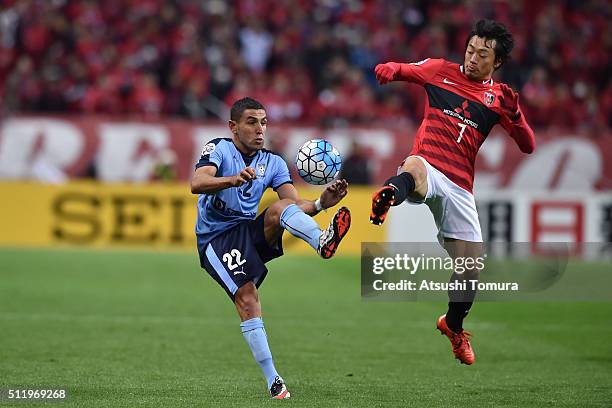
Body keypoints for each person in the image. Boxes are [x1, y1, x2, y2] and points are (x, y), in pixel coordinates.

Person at [370, 20, 535, 365]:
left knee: (471, 267)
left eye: (483, 54)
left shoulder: (499, 99)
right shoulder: (438, 71)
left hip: (460, 185)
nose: (473, 58)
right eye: (471, 50)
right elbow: (400, 69)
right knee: (413, 169)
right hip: (429, 165)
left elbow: (528, 146)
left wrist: (516, 115)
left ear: (498, 62)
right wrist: (386, 69)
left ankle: (453, 325)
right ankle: (388, 193)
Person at [190, 97, 351, 398]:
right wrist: (231, 180)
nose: (260, 129)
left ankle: (321, 241)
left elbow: (293, 203)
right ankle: (274, 380)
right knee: (247, 297)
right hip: (217, 238)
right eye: (251, 121)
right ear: (233, 127)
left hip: (247, 233)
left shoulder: (273, 162)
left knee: (282, 207)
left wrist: (319, 203)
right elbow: (197, 183)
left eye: (263, 122)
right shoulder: (219, 148)